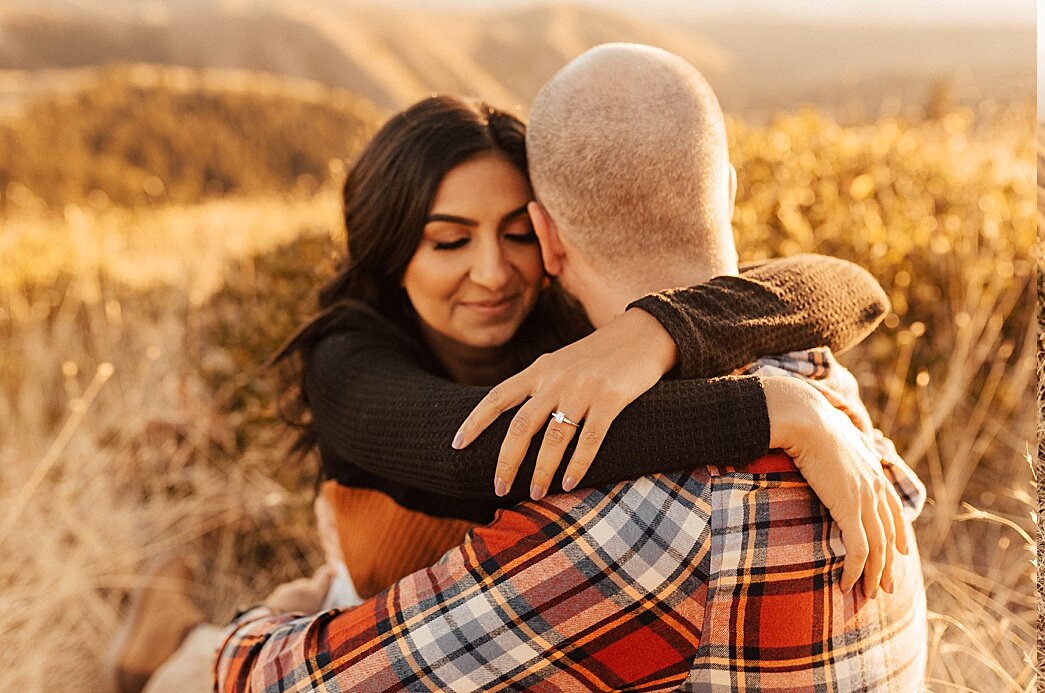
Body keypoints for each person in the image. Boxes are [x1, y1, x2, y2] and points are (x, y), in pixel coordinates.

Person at [108, 97, 909, 693]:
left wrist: (656, 331)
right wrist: (777, 411)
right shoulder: (346, 357)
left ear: (552, 237)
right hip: (361, 625)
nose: (492, 273)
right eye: (449, 240)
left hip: (494, 642)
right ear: (391, 250)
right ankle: (162, 636)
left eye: (517, 234)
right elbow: (482, 449)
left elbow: (848, 286)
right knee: (186, 672)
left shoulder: (577, 331)